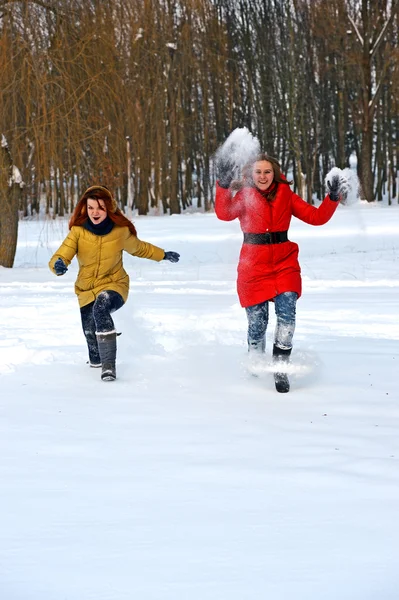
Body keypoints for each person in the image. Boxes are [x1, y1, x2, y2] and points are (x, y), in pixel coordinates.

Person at [215, 153, 344, 393]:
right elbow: (224, 213)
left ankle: (280, 368)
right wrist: (223, 185)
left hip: (284, 264)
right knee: (257, 323)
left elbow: (316, 218)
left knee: (287, 317)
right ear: (251, 175)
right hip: (252, 267)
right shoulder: (244, 196)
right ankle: (254, 367)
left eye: (267, 172)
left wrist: (333, 197)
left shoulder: (286, 194)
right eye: (258, 172)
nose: (263, 176)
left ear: (275, 173)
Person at [49, 185, 180, 382]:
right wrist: (58, 264)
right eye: (91, 207)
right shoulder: (77, 232)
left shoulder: (119, 232)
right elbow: (62, 254)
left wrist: (163, 255)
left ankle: (109, 367)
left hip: (115, 284)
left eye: (100, 208)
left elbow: (140, 248)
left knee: (101, 307)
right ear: (85, 208)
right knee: (90, 335)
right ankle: (98, 363)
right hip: (86, 290)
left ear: (108, 209)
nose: (95, 212)